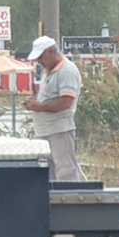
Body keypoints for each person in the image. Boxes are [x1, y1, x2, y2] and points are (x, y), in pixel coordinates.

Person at [25, 36, 81, 180]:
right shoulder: (49, 71)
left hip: (59, 130)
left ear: (51, 51)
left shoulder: (67, 71)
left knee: (65, 171)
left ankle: (70, 199)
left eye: (41, 57)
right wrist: (35, 102)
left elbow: (66, 102)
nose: (39, 61)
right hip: (47, 131)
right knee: (49, 173)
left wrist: (40, 106)